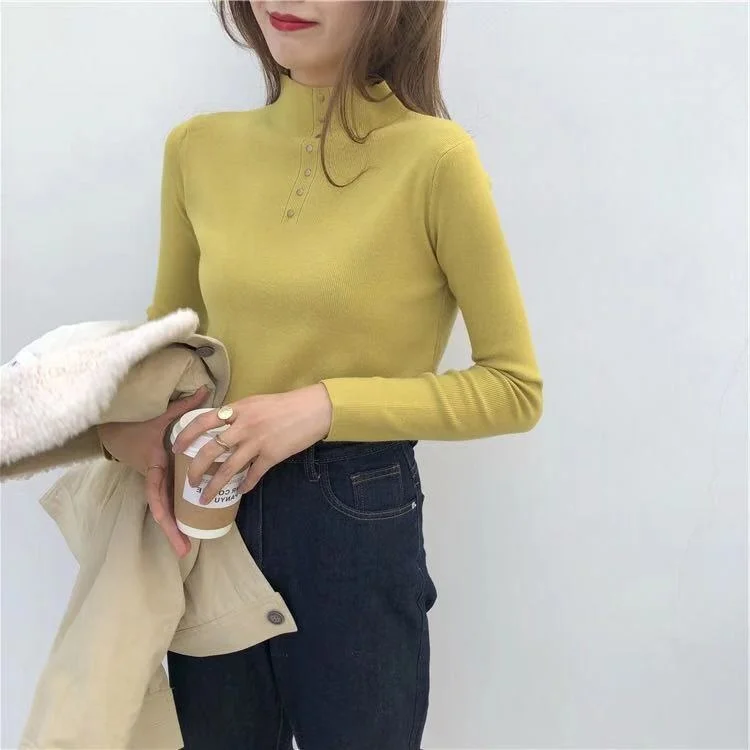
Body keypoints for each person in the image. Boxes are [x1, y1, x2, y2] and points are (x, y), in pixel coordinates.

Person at [97, 1, 543, 747]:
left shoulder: (435, 159)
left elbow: (513, 388)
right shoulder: (198, 149)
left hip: (354, 515)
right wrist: (141, 439)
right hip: (211, 511)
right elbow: (168, 353)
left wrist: (322, 407)